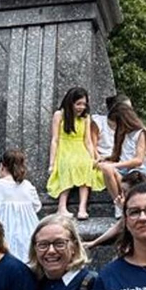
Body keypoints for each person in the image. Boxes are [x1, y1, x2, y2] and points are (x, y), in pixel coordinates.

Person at [46, 87, 104, 220]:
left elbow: (88, 141)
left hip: (80, 148)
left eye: (84, 104)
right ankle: (61, 207)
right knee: (68, 165)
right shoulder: (59, 115)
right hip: (65, 147)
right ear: (70, 102)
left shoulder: (86, 117)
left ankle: (82, 208)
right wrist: (52, 163)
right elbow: (54, 140)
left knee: (85, 165)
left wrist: (92, 158)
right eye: (78, 104)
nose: (81, 107)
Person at [0, 149, 43, 263]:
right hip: (28, 228)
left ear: (1, 166)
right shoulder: (27, 185)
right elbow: (37, 206)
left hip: (4, 228)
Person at [97, 103, 146, 206]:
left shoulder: (140, 133)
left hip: (136, 171)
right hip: (122, 170)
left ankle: (124, 201)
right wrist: (105, 159)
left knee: (111, 169)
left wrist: (115, 165)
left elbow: (138, 160)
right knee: (106, 168)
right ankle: (118, 202)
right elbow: (117, 155)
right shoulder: (121, 133)